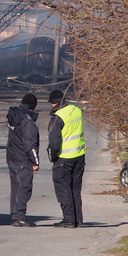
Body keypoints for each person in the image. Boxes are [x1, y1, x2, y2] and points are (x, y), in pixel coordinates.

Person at [47, 90, 85, 228]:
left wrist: (52, 156)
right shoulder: (76, 110)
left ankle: (69, 220)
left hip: (64, 158)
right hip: (79, 156)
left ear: (54, 103)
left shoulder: (57, 118)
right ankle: (78, 220)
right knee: (75, 189)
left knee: (63, 189)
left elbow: (54, 142)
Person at [6, 93, 40, 227]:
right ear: (33, 107)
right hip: (23, 159)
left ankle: (15, 216)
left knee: (15, 187)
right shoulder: (27, 121)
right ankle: (20, 216)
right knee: (25, 187)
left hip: (11, 157)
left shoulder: (14, 115)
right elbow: (29, 144)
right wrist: (36, 162)